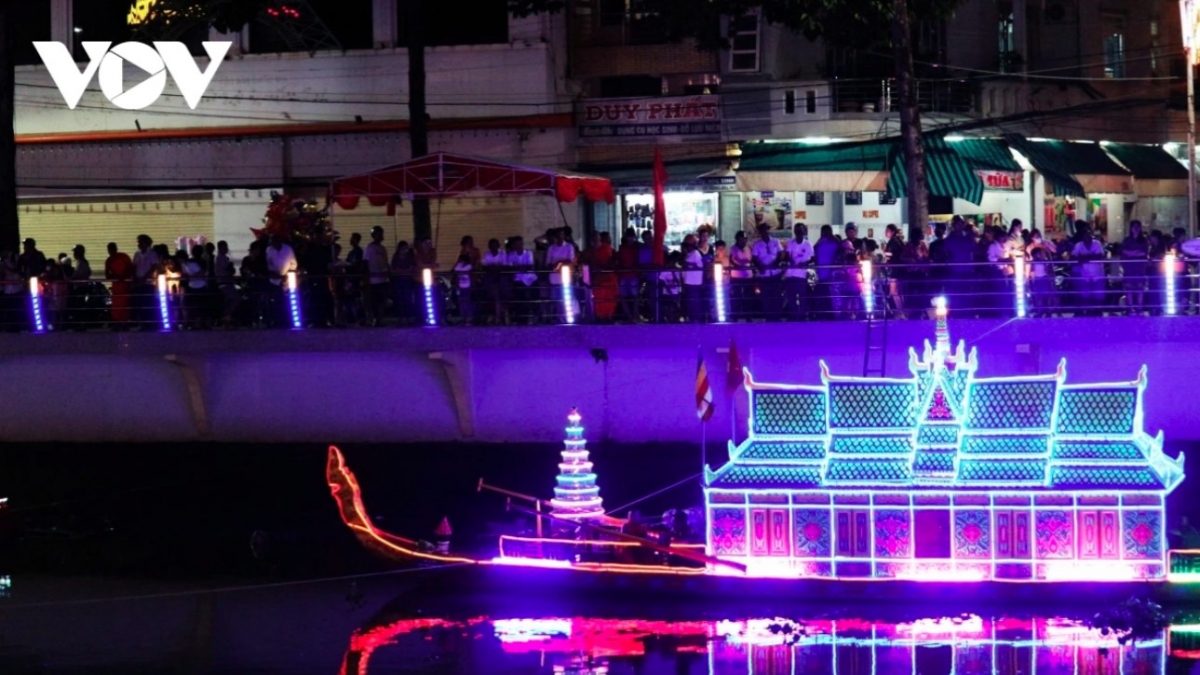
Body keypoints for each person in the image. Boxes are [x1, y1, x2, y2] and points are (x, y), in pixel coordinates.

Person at [1070, 223, 1107, 315]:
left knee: (1098, 294)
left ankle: (1097, 311)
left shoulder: (1097, 244)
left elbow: (1099, 256)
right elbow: (1074, 258)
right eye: (1085, 235)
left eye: (1089, 234)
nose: (1087, 236)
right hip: (1085, 275)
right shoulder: (1078, 245)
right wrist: (1090, 257)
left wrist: (1084, 258)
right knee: (1085, 294)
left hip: (1097, 274)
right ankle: (1087, 310)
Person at [751, 222, 782, 319]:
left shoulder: (776, 242)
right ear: (760, 232)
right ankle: (768, 316)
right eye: (763, 230)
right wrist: (760, 266)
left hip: (775, 273)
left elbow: (780, 253)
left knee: (777, 295)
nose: (765, 231)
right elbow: (754, 258)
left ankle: (777, 316)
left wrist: (776, 263)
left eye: (767, 229)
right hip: (764, 275)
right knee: (765, 297)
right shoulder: (757, 244)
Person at [266, 233, 298, 327]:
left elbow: (293, 263)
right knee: (275, 301)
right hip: (274, 279)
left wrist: (288, 274)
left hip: (287, 279)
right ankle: (276, 321)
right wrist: (273, 273)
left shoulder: (287, 249)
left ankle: (287, 321)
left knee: (287, 301)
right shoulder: (269, 250)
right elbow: (269, 264)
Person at [782, 222, 813, 320]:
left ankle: (802, 316)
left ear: (804, 231)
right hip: (791, 275)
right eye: (797, 230)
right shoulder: (791, 243)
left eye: (801, 230)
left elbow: (813, 258)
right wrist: (789, 259)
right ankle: (793, 316)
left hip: (802, 276)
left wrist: (805, 263)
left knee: (803, 298)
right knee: (791, 298)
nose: (799, 232)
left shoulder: (808, 244)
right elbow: (786, 256)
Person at [1121, 220, 1149, 315]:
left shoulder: (1144, 240)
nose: (1136, 229)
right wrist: (1136, 253)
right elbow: (1124, 252)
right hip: (1129, 268)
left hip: (1140, 268)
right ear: (1131, 228)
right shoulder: (1127, 240)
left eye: (1138, 226)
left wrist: (1132, 253)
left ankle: (1139, 308)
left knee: (1140, 288)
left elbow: (1144, 253)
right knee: (1129, 288)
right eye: (1134, 226)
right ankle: (1130, 308)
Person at [131, 235, 160, 328]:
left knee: (148, 303)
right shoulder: (137, 254)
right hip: (138, 283)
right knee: (140, 304)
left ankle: (150, 323)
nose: (139, 244)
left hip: (148, 283)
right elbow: (134, 266)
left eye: (141, 242)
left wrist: (145, 277)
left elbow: (154, 267)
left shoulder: (152, 254)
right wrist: (135, 278)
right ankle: (142, 323)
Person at [364, 226, 390, 326]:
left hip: (383, 279)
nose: (380, 236)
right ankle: (375, 318)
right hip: (373, 279)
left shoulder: (383, 249)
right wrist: (366, 277)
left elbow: (385, 262)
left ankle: (380, 318)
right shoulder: (369, 248)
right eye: (378, 234)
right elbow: (365, 262)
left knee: (382, 300)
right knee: (374, 301)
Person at [105, 242, 134, 329]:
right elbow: (107, 274)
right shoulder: (109, 260)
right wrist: (115, 276)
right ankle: (117, 322)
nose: (111, 251)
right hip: (116, 287)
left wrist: (124, 276)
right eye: (109, 250)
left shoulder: (123, 257)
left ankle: (124, 322)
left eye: (112, 249)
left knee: (124, 304)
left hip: (125, 286)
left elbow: (130, 269)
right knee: (116, 306)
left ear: (116, 249)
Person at [453, 253, 474, 325]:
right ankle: (462, 317)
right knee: (461, 302)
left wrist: (472, 285)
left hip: (467, 286)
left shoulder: (469, 266)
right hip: (460, 286)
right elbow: (455, 274)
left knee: (467, 302)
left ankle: (468, 318)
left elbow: (471, 276)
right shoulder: (458, 266)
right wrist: (456, 285)